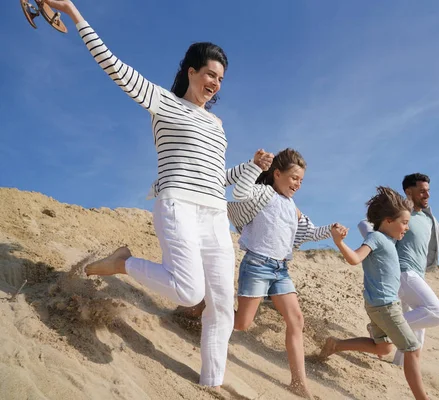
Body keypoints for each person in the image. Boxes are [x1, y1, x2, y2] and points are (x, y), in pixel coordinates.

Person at [43, 0, 274, 388]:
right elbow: (115, 67)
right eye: (210, 74)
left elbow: (216, 176)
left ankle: (210, 383)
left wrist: (253, 167)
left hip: (214, 216)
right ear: (191, 72)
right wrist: (74, 13)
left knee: (221, 307)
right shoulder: (164, 103)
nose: (215, 82)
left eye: (221, 78)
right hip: (177, 205)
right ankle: (122, 263)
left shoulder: (217, 123)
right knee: (188, 290)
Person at [227, 148, 345, 398]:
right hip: (257, 264)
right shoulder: (263, 193)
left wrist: (331, 231)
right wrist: (256, 167)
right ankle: (203, 307)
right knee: (241, 323)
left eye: (301, 180)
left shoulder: (293, 207)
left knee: (296, 320)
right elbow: (240, 193)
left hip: (280, 269)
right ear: (277, 173)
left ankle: (299, 383)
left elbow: (309, 232)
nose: (298, 184)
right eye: (294, 178)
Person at [358, 173, 439, 367]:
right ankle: (385, 328)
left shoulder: (429, 220)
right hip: (402, 273)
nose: (426, 195)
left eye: (428, 191)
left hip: (416, 275)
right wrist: (379, 244)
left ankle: (399, 367)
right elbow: (365, 223)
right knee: (436, 313)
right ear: (408, 192)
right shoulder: (401, 214)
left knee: (417, 334)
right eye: (422, 191)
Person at [319, 187, 429, 400]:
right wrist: (339, 242)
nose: (407, 228)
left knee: (383, 348)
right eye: (404, 223)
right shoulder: (376, 238)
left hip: (382, 305)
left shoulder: (389, 240)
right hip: (385, 306)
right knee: (413, 349)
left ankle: (336, 345)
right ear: (388, 221)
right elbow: (355, 259)